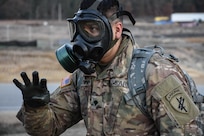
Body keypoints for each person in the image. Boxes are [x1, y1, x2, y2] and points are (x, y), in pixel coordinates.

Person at [13, 0, 203, 135]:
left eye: (93, 29)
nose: (82, 39)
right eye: (78, 30)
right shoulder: (84, 76)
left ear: (117, 30)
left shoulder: (155, 73)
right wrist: (35, 107)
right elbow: (47, 129)